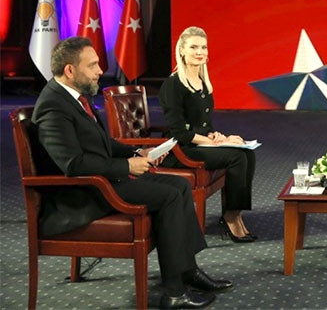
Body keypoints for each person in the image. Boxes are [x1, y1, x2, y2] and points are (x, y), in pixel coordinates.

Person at [33, 37, 232, 309]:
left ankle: (187, 271)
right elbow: (73, 165)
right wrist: (127, 166)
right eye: (92, 65)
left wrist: (136, 152)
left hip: (102, 180)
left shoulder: (74, 97)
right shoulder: (53, 106)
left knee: (181, 186)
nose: (100, 71)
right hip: (83, 193)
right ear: (70, 70)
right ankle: (174, 293)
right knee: (170, 196)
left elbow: (102, 144)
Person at [159, 26, 257, 243]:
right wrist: (213, 144)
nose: (200, 52)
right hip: (181, 150)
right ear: (182, 50)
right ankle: (230, 217)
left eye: (203, 47)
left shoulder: (202, 82)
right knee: (237, 157)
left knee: (247, 153)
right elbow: (179, 132)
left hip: (199, 144)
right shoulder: (173, 85)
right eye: (193, 47)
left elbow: (203, 125)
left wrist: (217, 136)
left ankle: (235, 212)